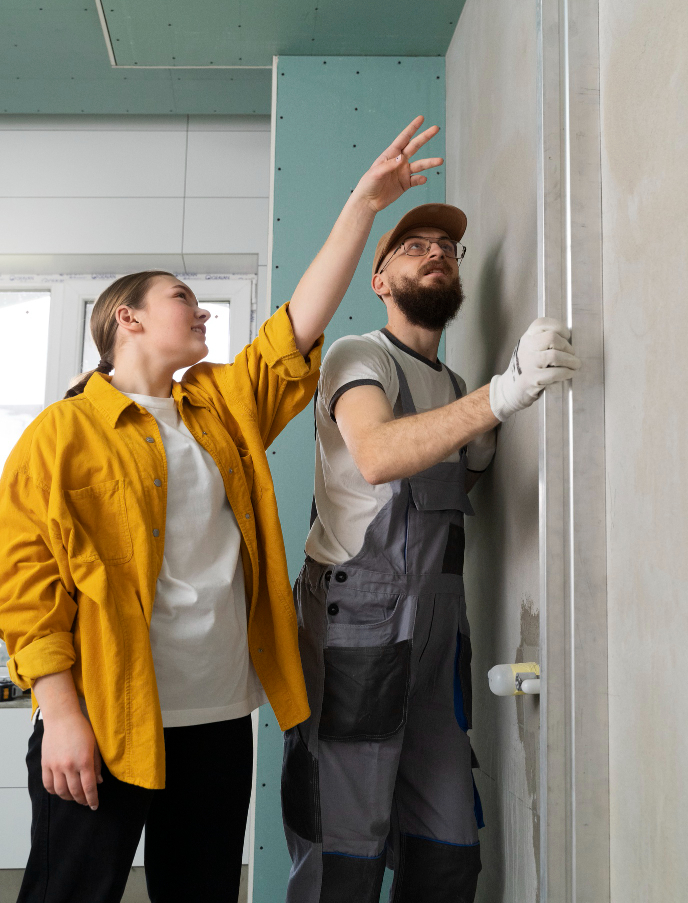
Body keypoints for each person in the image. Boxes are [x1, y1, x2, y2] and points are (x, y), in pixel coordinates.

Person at [0, 115, 444, 903]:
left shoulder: (220, 408)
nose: (201, 311)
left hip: (216, 718)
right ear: (128, 319)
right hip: (104, 716)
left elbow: (297, 326)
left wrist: (364, 204)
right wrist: (59, 713)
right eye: (183, 299)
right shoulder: (60, 435)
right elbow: (25, 589)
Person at [282, 202, 582, 902]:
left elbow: (445, 492)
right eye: (414, 247)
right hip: (359, 635)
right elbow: (379, 455)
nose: (436, 252)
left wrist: (484, 431)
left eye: (446, 246)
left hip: (438, 643)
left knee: (447, 856)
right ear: (380, 281)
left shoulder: (449, 387)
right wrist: (502, 395)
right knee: (344, 856)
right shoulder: (359, 355)